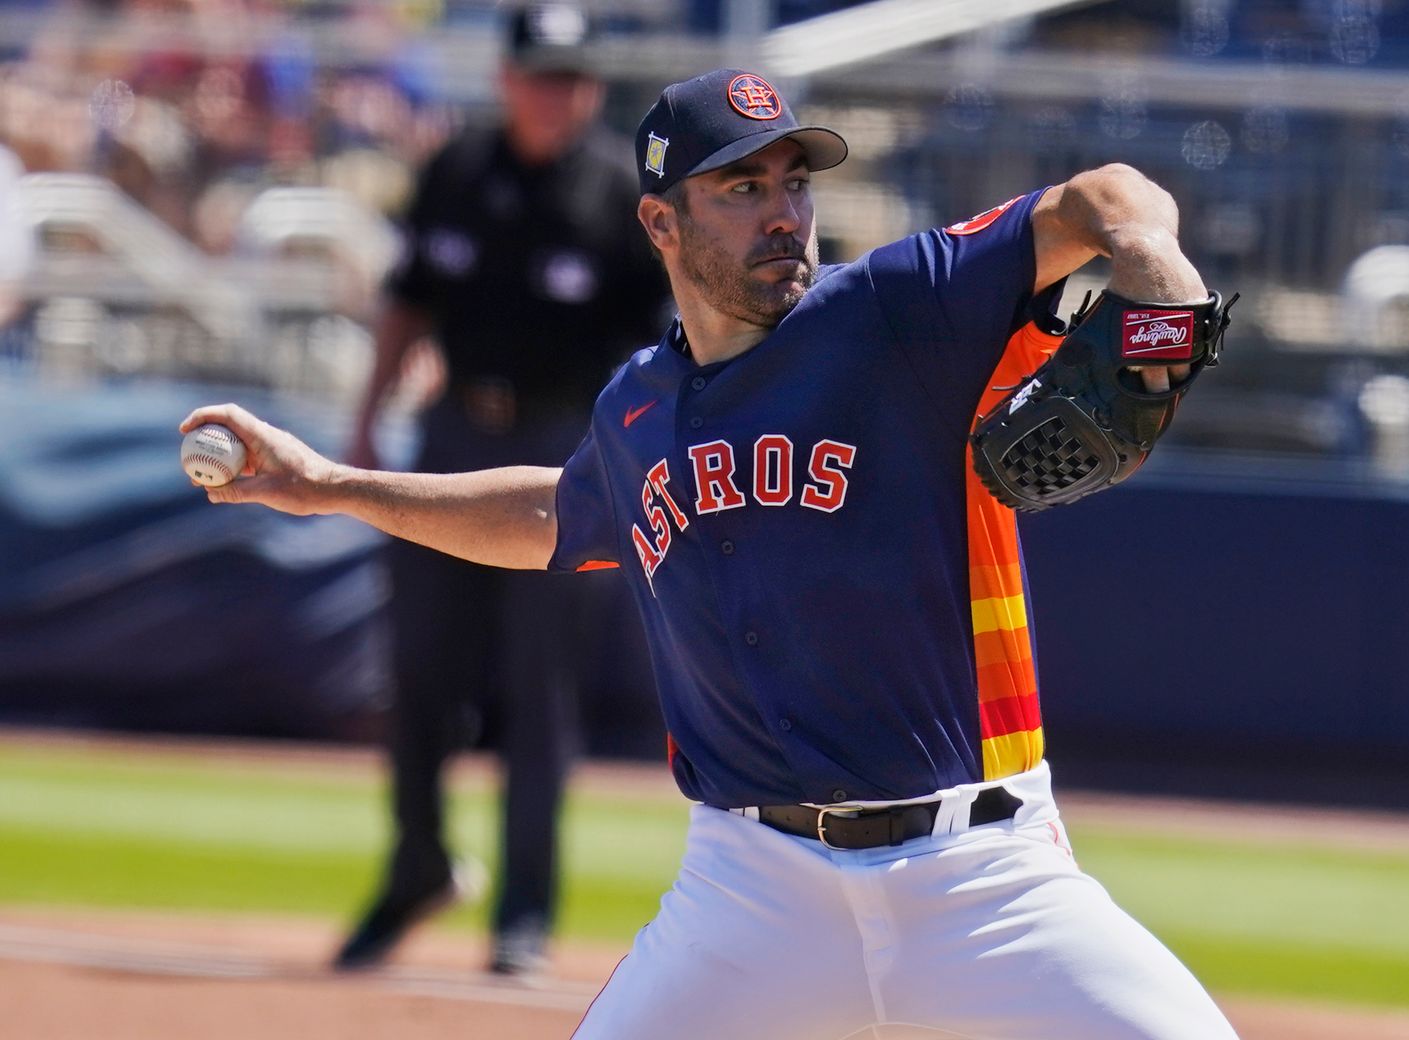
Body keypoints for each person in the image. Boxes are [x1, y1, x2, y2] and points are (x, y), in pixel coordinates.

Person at [183, 68, 1241, 1038]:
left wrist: (1155, 261)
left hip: (979, 875)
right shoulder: (637, 404)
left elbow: (1103, 194)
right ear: (662, 220)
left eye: (794, 180)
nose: (783, 210)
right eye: (740, 187)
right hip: (752, 887)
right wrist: (328, 485)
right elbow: (555, 514)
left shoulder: (902, 308)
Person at [334, 3, 666, 975]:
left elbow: (654, 347)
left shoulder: (616, 194)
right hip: (447, 436)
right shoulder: (458, 169)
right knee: (420, 676)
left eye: (571, 77)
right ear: (507, 79)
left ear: (591, 88)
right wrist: (368, 414)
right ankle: (416, 866)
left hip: (566, 450)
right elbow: (409, 295)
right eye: (539, 74)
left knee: (540, 690)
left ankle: (523, 910)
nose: (554, 93)